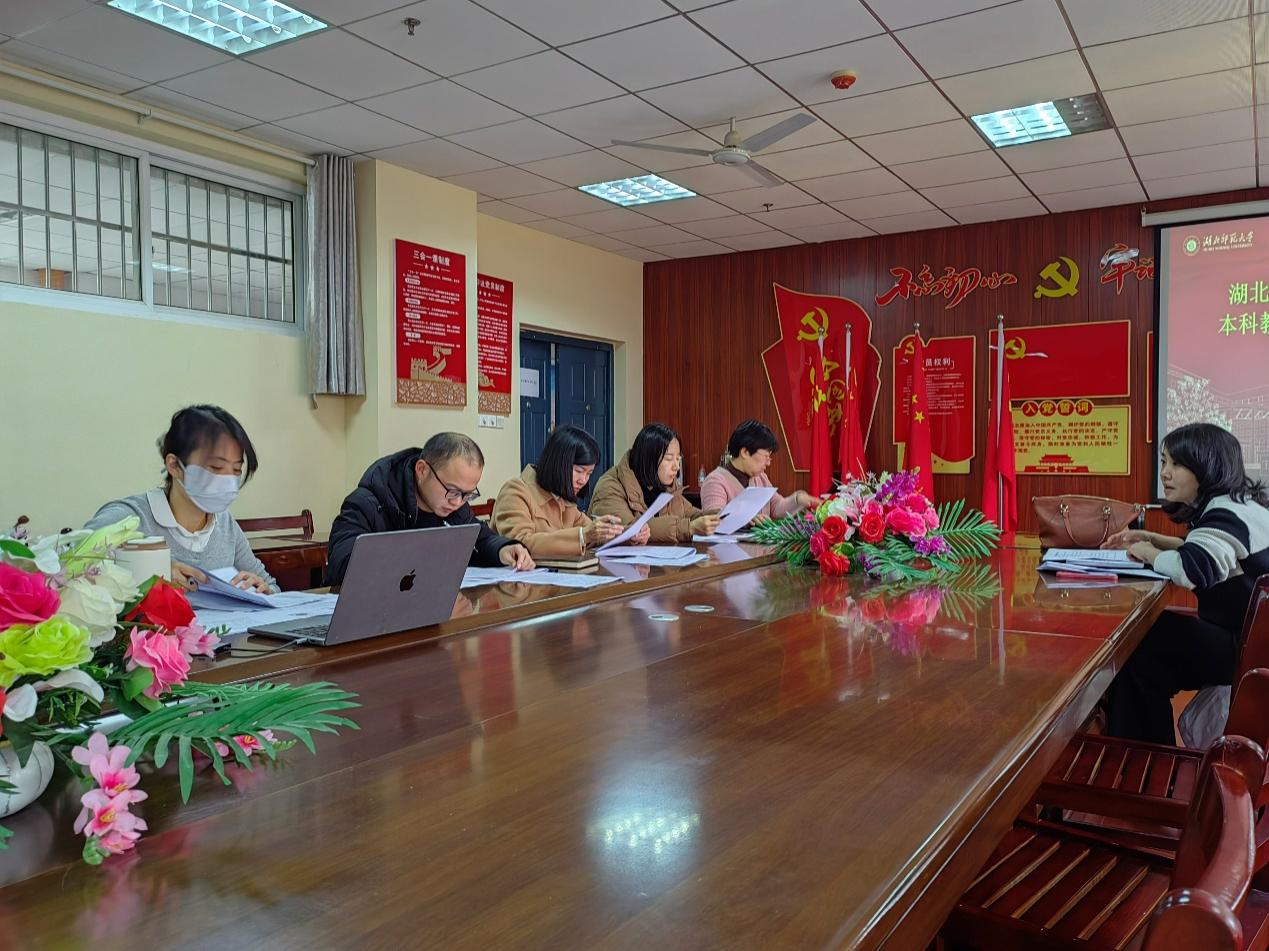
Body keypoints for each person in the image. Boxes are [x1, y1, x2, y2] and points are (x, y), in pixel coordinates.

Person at [1102, 423, 1269, 743]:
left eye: (1177, 464)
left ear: (1207, 467)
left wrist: (1145, 551)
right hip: (1253, 644)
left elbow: (1191, 569)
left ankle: (1141, 755)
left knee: (1136, 645)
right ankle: (1145, 749)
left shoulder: (1226, 516)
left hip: (1244, 652)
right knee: (1149, 639)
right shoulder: (1241, 506)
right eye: (1164, 462)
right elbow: (1209, 552)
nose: (1165, 473)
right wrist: (1152, 538)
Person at [85, 404, 276, 593]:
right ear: (174, 465)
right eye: (216, 467)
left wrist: (263, 590)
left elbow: (272, 588)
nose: (227, 480)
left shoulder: (224, 523)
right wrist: (151, 571)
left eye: (236, 470)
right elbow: (70, 568)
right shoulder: (128, 518)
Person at [327, 432, 533, 585]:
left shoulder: (453, 506)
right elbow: (342, 564)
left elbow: (479, 538)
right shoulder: (368, 503)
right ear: (422, 470)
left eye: (467, 494)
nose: (458, 502)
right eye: (452, 491)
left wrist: (503, 549)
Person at [492, 425, 641, 558]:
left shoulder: (563, 498)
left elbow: (593, 534)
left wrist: (628, 535)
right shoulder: (515, 491)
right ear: (558, 464)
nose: (583, 480)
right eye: (579, 471)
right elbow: (520, 543)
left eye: (589, 473)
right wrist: (582, 536)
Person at [590, 423, 720, 542]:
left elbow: (693, 516)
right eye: (669, 459)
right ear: (648, 459)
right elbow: (628, 530)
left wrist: (721, 515)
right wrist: (688, 528)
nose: (676, 467)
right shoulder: (611, 486)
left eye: (678, 459)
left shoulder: (666, 487)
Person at [701, 419, 816, 524]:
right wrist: (746, 520)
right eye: (766, 456)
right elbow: (714, 520)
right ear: (745, 452)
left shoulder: (760, 478)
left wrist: (797, 499)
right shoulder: (715, 481)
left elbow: (776, 507)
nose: (768, 463)